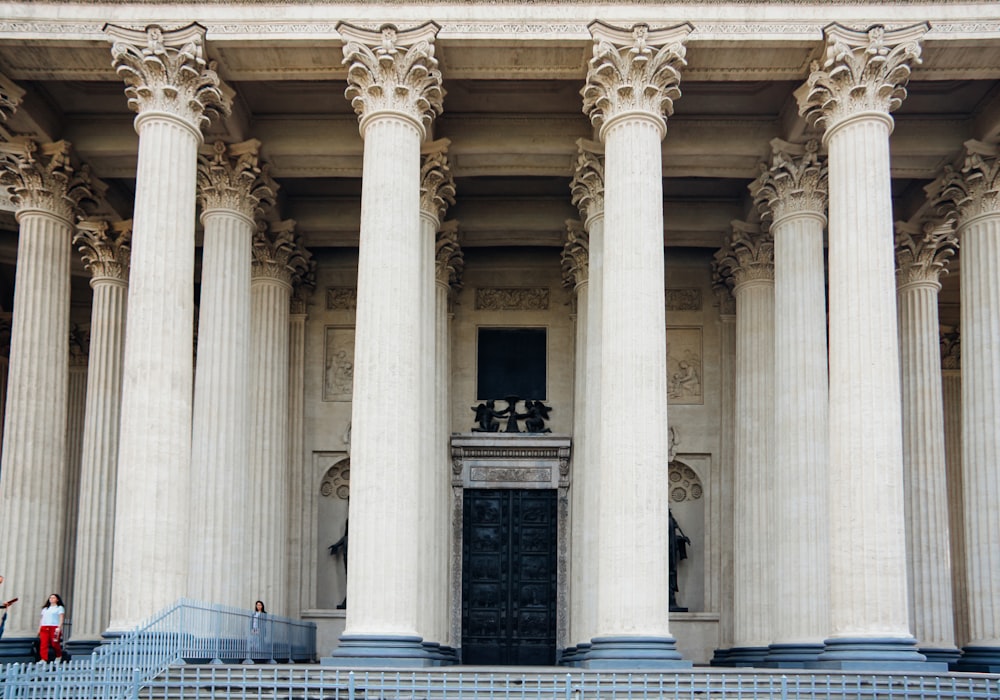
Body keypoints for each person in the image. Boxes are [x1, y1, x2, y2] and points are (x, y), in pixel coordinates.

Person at [38, 593, 65, 662]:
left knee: (54, 643)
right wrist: (39, 628)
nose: (51, 599)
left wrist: (59, 627)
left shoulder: (59, 608)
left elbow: (61, 618)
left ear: (57, 599)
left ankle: (58, 655)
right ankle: (43, 658)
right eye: (50, 598)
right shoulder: (45, 609)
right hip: (44, 626)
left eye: (53, 598)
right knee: (43, 643)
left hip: (54, 626)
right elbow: (42, 619)